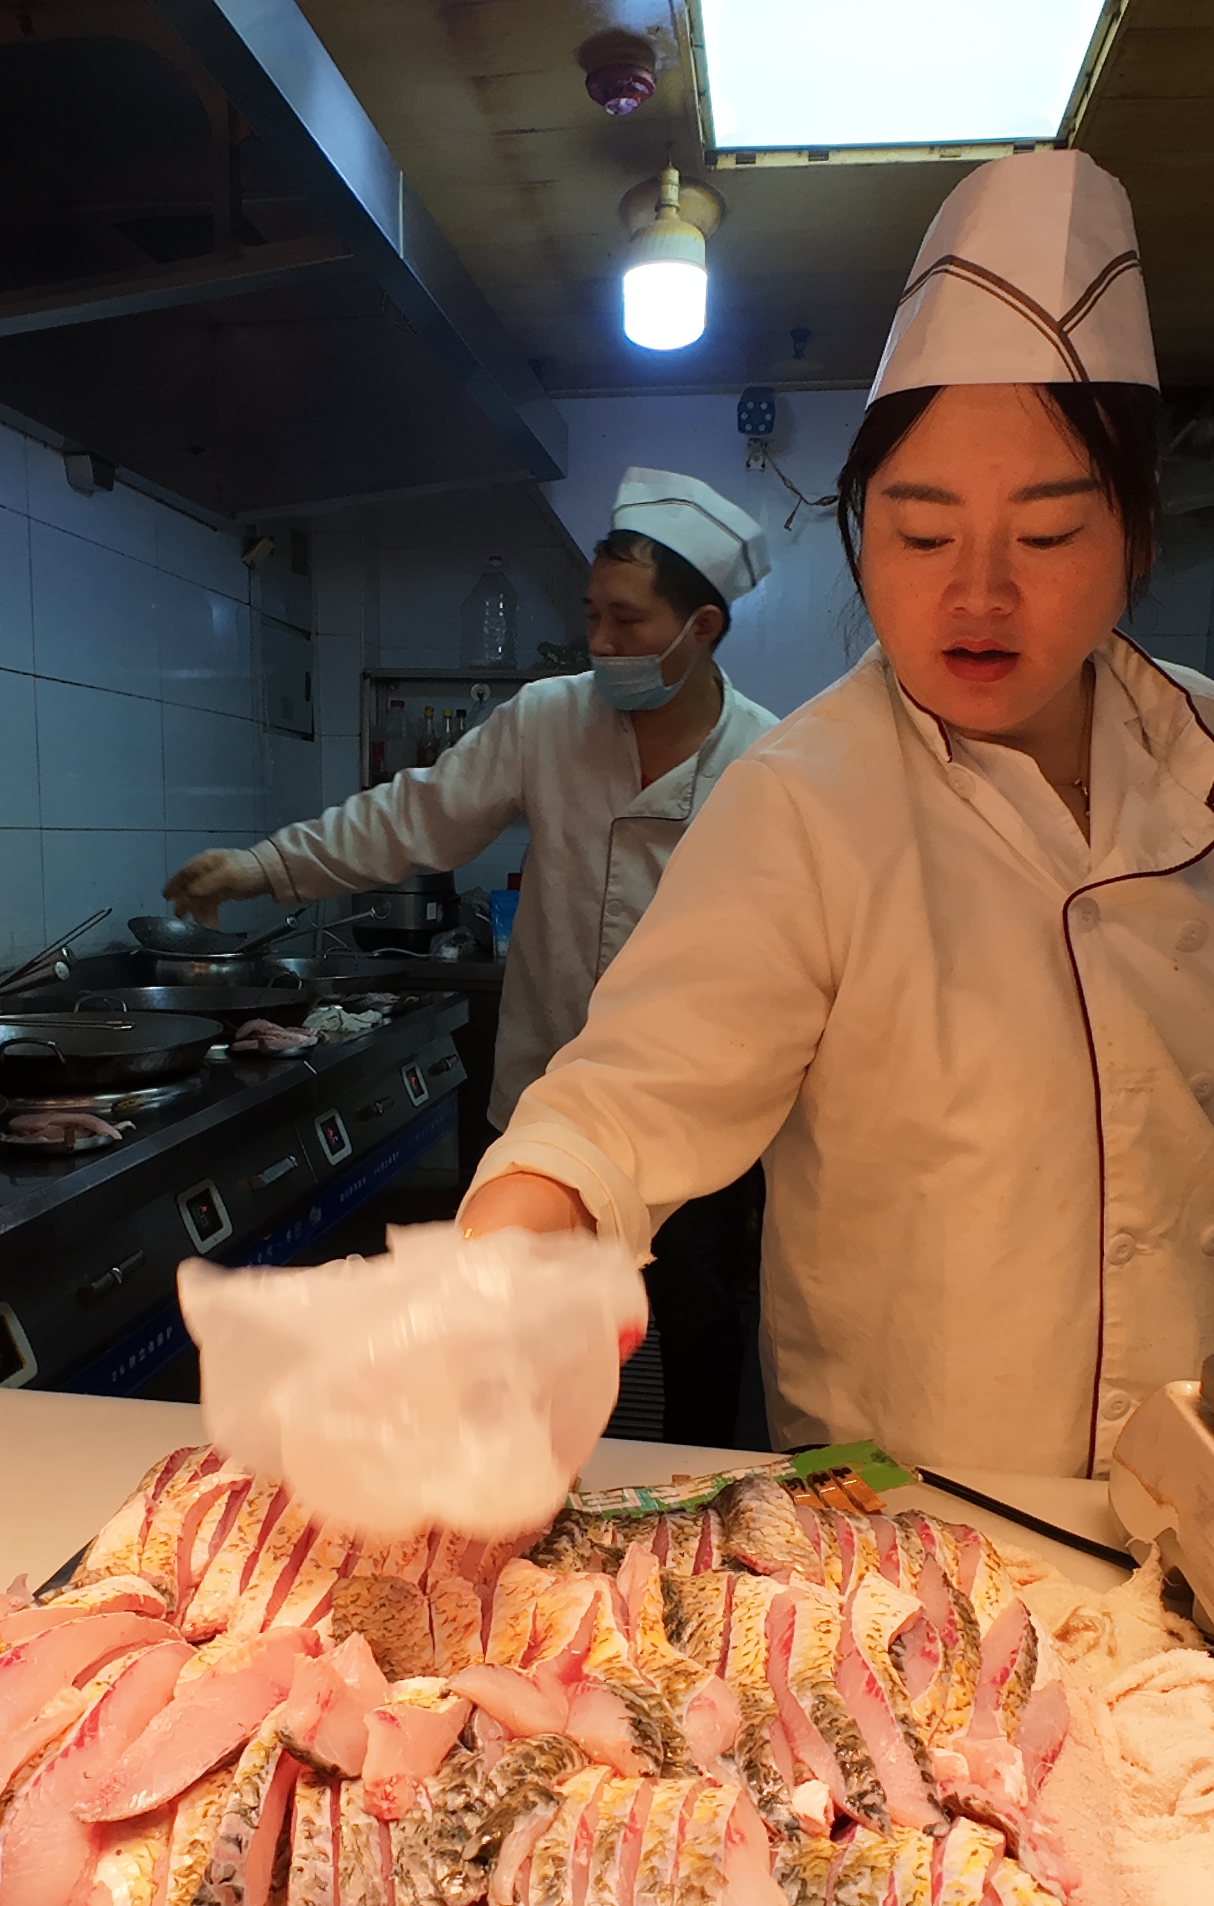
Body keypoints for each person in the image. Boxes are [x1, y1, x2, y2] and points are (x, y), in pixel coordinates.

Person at [458, 150, 1214, 1480]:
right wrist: (509, 1250)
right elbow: (631, 1091)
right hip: (896, 1501)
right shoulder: (803, 795)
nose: (978, 594)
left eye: (1046, 537)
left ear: (1135, 540)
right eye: (923, 535)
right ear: (860, 532)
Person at [166, 471, 784, 1445]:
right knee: (509, 1342)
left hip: (691, 1124)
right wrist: (268, 866)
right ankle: (510, 1505)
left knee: (699, 1331)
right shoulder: (548, 719)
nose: (601, 641)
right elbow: (416, 816)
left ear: (701, 628)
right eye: (593, 615)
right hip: (542, 1102)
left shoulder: (765, 762)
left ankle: (695, 1507)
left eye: (627, 620)